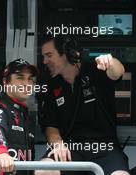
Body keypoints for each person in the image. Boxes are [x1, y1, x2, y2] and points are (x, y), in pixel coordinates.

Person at [35, 36, 129, 175]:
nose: (45, 61)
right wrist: (57, 143)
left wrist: (110, 62)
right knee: (44, 170)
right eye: (43, 57)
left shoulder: (96, 71)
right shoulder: (51, 85)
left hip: (105, 147)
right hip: (70, 148)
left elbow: (117, 72)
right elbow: (50, 125)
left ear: (68, 54)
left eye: (49, 55)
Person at [0, 58, 37, 175]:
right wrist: (1, 152)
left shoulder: (25, 114)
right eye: (20, 78)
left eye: (30, 79)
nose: (27, 83)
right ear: (6, 82)